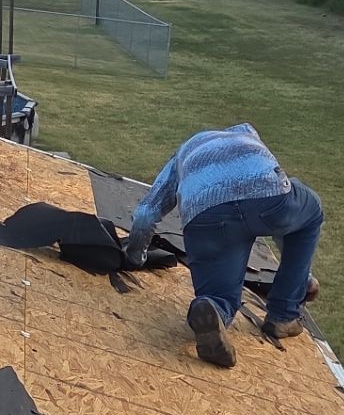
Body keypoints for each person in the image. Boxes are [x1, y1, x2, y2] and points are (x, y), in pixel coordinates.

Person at [123, 123, 322, 369]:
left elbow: (145, 215)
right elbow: (288, 228)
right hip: (266, 200)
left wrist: (134, 256)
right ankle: (284, 315)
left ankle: (213, 308)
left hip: (207, 217)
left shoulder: (183, 155)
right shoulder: (247, 134)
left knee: (219, 294)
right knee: (311, 211)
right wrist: (301, 276)